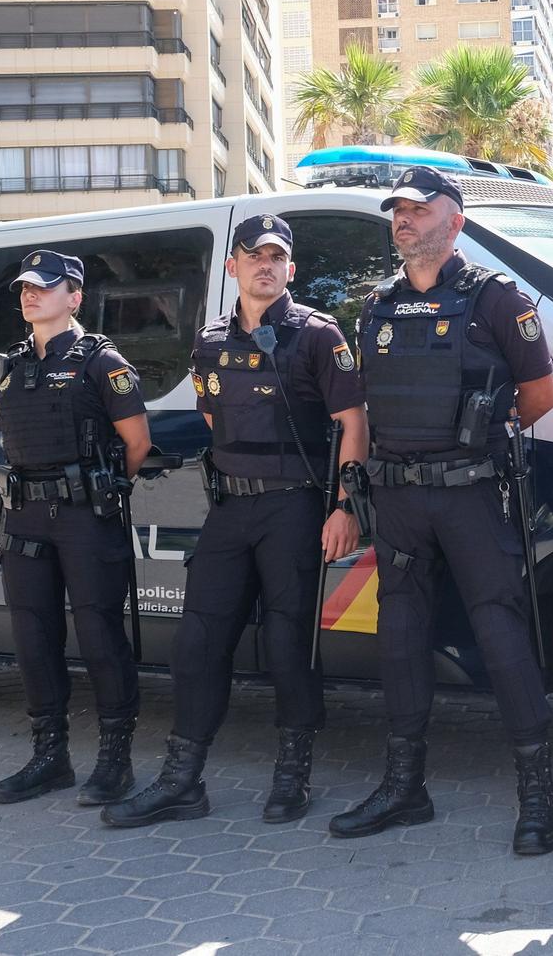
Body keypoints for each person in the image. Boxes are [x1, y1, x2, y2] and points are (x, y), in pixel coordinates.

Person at [104, 214, 369, 827]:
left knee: (288, 642)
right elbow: (210, 414)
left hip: (294, 507)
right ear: (234, 267)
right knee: (198, 640)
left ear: (291, 269)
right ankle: (181, 780)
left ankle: (293, 774)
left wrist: (343, 506)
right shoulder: (210, 341)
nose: (266, 265)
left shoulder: (318, 336)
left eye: (277, 256)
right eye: (255, 255)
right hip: (228, 508)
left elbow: (353, 424)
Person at [326, 166, 553, 854]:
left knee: (501, 634)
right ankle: (405, 788)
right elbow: (366, 404)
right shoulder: (376, 305)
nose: (402, 220)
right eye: (397, 210)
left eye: (417, 210)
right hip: (398, 497)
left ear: (453, 221)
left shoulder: (494, 299)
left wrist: (479, 439)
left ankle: (537, 796)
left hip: (470, 495)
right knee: (399, 637)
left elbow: (540, 395)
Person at [0, 249, 151, 807]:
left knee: (100, 636)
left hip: (85, 517)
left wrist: (94, 489)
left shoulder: (102, 362)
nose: (31, 295)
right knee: (33, 639)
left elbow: (138, 444)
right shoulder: (9, 365)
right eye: (26, 288)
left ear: (74, 296)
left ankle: (115, 761)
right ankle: (50, 756)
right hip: (25, 516)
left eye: (45, 287)